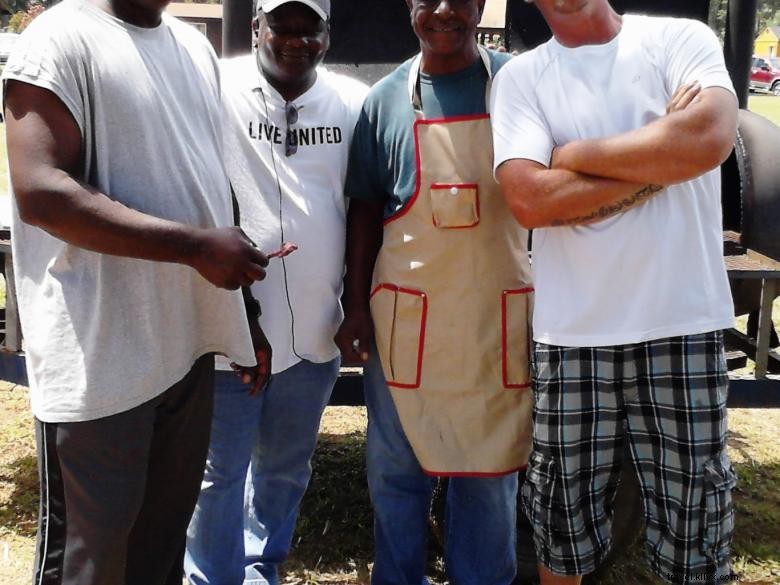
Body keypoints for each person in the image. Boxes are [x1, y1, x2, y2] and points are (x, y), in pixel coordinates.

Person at [1, 0, 271, 583]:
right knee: (92, 558)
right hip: (99, 360)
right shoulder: (58, 39)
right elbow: (41, 192)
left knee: (161, 542)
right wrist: (196, 248)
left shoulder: (193, 47)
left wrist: (244, 312)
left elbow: (207, 178)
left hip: (184, 344)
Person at [490, 2, 739, 584]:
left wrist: (572, 156)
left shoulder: (680, 39)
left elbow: (708, 135)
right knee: (560, 520)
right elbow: (530, 200)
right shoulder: (522, 78)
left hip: (682, 320)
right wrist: (662, 153)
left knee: (695, 521)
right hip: (572, 332)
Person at [335, 1, 534, 583]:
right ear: (409, 7)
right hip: (406, 322)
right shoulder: (385, 101)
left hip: (494, 323)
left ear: (480, 7)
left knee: (490, 471)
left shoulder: (517, 86)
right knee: (396, 473)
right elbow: (365, 210)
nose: (443, 11)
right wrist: (354, 307)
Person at [184, 1, 368, 584]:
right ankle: (212, 578)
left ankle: (263, 568)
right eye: (281, 26)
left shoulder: (352, 102)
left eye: (309, 28)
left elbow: (362, 205)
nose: (296, 40)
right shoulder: (214, 86)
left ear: (327, 34)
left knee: (286, 469)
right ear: (257, 26)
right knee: (219, 473)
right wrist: (240, 316)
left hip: (316, 327)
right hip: (232, 326)